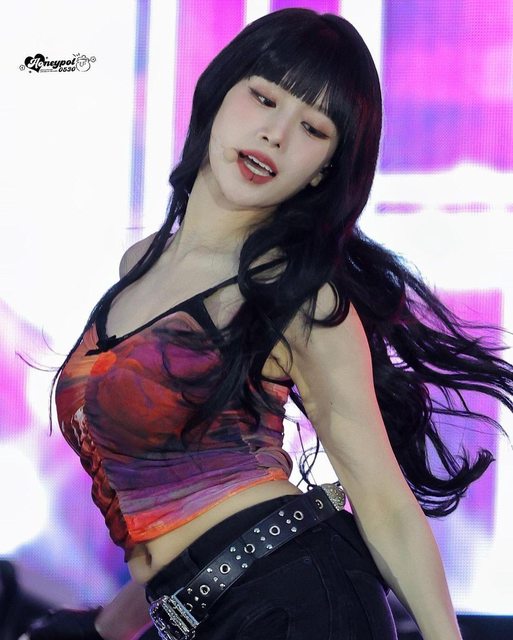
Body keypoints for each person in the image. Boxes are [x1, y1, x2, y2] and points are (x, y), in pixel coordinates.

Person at [22, 8, 513, 640]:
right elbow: (163, 499)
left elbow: (385, 504)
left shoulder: (297, 296)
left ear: (325, 168)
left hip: (298, 604)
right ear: (219, 93)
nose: (275, 135)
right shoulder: (139, 264)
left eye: (312, 128)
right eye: (264, 97)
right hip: (206, 611)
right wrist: (106, 629)